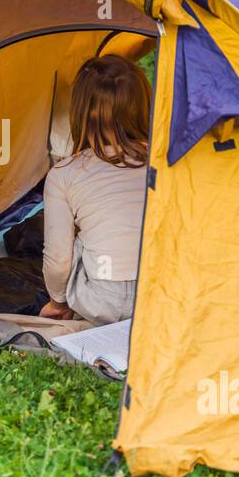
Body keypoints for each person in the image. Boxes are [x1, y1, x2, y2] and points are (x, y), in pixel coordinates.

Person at [39, 55, 150, 325]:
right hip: (162, 294)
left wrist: (57, 302)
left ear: (79, 112)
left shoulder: (63, 175)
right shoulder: (167, 161)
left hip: (103, 301)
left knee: (73, 241)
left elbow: (58, 260)